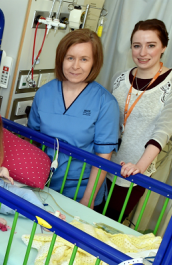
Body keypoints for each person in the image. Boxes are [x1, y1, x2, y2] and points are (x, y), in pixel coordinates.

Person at [105, 19, 172, 221]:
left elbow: (164, 130)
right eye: (137, 46)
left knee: (107, 223)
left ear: (163, 47)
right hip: (102, 159)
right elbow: (106, 119)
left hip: (133, 169)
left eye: (151, 45)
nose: (143, 53)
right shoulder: (120, 77)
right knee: (81, 215)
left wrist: (139, 167)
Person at [28, 29, 120, 211]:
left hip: (80, 192)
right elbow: (32, 140)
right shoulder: (44, 93)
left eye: (84, 59)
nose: (75, 66)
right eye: (70, 58)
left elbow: (104, 156)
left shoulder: (105, 102)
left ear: (94, 63)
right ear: (61, 58)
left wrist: (88, 200)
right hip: (41, 182)